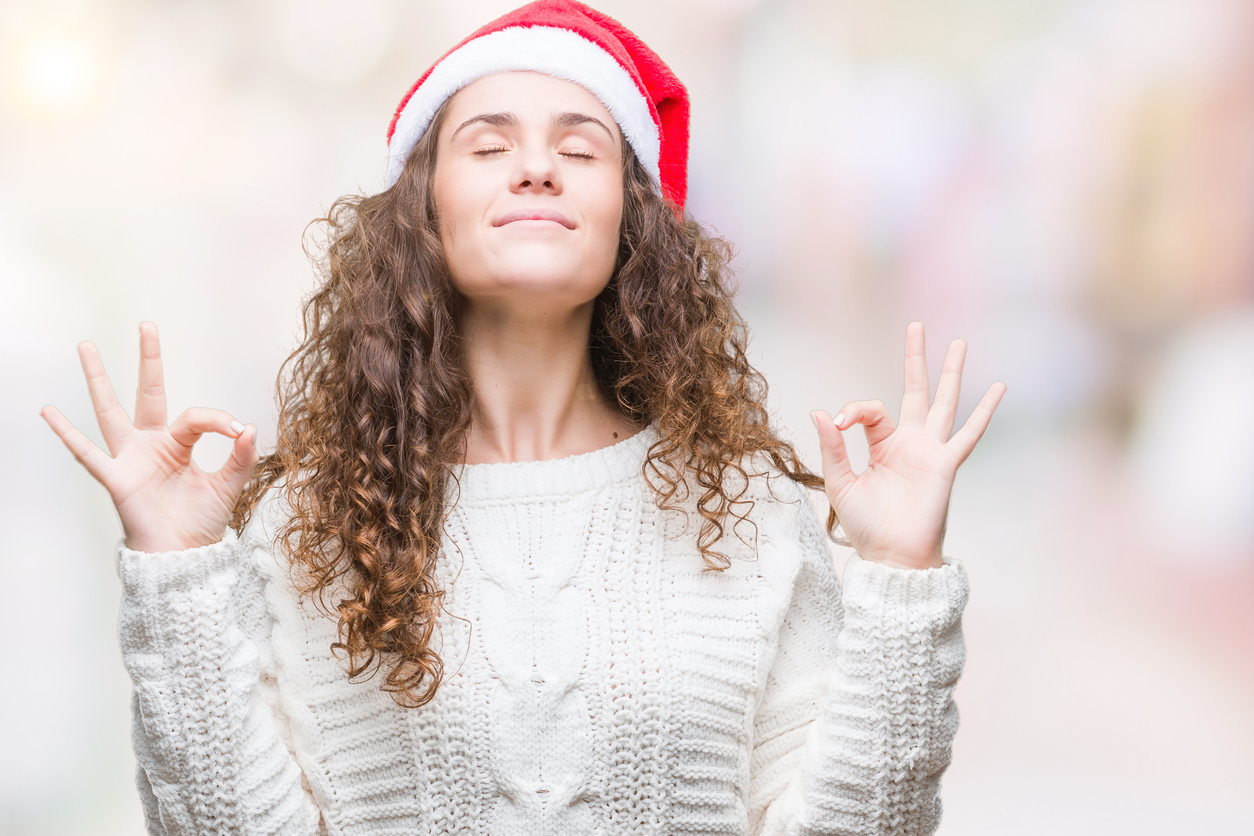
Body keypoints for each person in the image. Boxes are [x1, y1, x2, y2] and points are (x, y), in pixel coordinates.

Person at [40, 1, 1005, 834]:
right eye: (489, 144)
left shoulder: (746, 512)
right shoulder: (306, 527)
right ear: (423, 213)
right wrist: (173, 566)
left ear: (633, 221)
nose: (536, 167)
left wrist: (900, 578)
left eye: (580, 148)